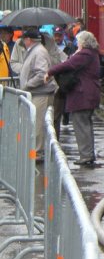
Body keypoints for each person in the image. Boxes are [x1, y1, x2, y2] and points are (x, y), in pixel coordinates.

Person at [45, 30, 102, 166]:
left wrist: (50, 72)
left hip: (83, 95)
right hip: (89, 94)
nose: (77, 44)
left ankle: (86, 155)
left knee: (81, 125)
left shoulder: (85, 54)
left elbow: (68, 64)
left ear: (83, 43)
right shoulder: (91, 54)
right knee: (85, 124)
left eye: (79, 42)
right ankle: (88, 154)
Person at [19, 28, 58, 160]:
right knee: (37, 123)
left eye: (24, 39)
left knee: (39, 124)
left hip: (41, 93)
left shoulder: (39, 52)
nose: (23, 41)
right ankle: (37, 151)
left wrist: (27, 84)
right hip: (38, 93)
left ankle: (38, 153)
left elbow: (42, 74)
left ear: (29, 40)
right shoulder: (36, 50)